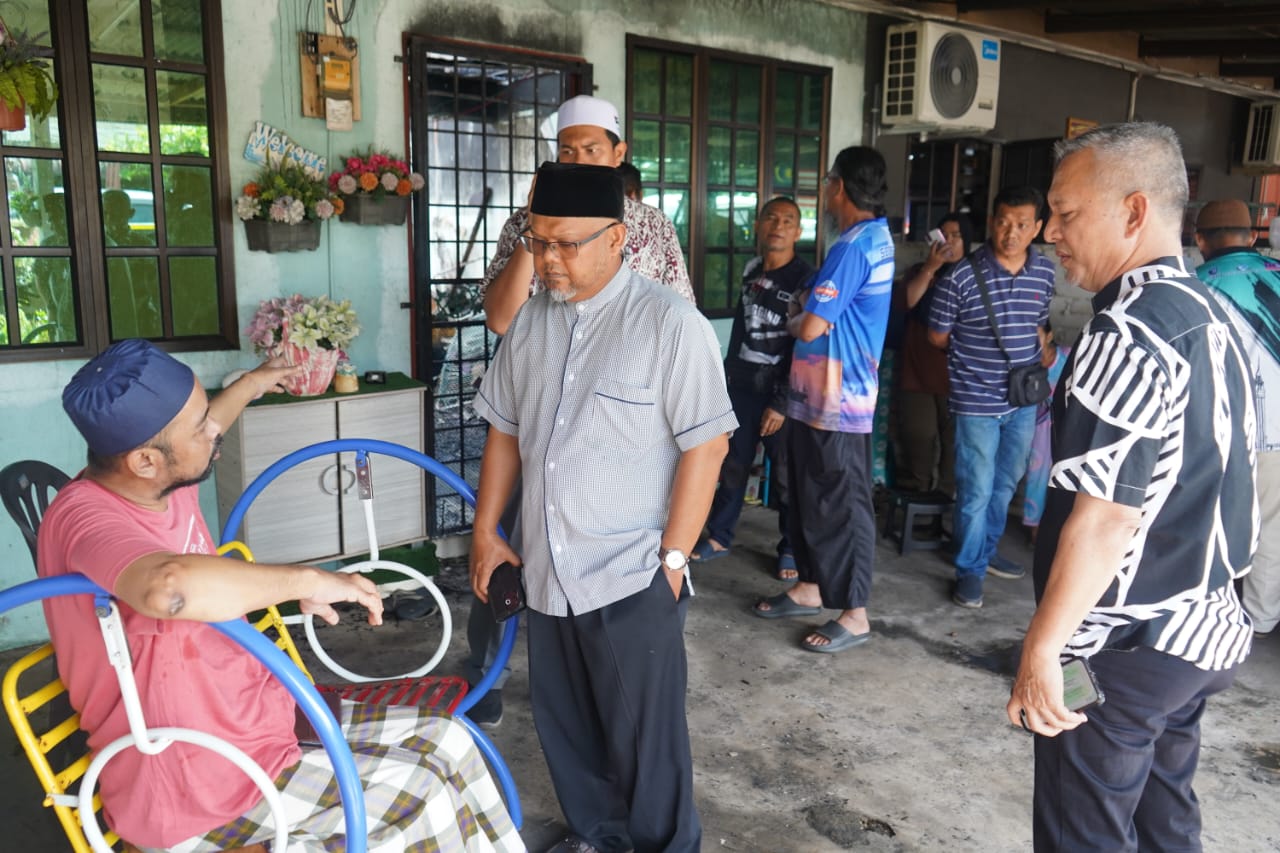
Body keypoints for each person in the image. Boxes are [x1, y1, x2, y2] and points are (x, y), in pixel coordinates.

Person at [38, 340, 523, 853]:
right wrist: (306, 580)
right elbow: (168, 588)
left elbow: (210, 422)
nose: (214, 431)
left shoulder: (160, 477)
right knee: (422, 792)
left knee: (452, 739)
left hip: (256, 722)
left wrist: (253, 383)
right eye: (200, 427)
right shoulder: (83, 519)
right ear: (144, 460)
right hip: (195, 783)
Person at [470, 162, 735, 853]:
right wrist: (486, 530)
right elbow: (504, 429)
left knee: (648, 746)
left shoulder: (670, 324)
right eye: (538, 241)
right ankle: (598, 837)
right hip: (545, 569)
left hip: (630, 575)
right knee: (566, 727)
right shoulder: (531, 322)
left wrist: (672, 563)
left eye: (566, 244)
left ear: (617, 238)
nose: (548, 259)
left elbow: (708, 446)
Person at [1007, 123, 1256, 852]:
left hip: (1126, 644)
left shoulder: (1125, 332)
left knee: (1083, 833)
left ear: (1135, 211)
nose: (1050, 232)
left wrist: (1043, 649)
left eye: (1065, 213)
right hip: (1203, 632)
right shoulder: (1216, 316)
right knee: (1163, 819)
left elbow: (1106, 518)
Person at [465, 95, 695, 727]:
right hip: (540, 414)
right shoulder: (527, 224)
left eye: (591, 150)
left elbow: (679, 323)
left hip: (623, 434)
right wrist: (536, 231)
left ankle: (632, 683)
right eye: (567, 151)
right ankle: (488, 671)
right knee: (507, 547)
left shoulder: (650, 228)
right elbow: (503, 317)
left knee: (627, 589)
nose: (579, 159)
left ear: (618, 154)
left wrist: (677, 556)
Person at [751, 146, 894, 654]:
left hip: (840, 401)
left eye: (829, 182)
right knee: (810, 497)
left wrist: (796, 319)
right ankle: (810, 586)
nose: (826, 192)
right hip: (817, 398)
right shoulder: (867, 239)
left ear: (840, 187)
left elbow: (811, 323)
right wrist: (805, 311)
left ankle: (855, 614)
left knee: (844, 505)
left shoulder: (855, 246)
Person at [927, 187, 1056, 607]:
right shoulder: (961, 277)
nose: (1011, 232)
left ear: (1037, 228)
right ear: (991, 223)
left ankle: (984, 551)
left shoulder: (1044, 272)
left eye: (1022, 224)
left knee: (1004, 486)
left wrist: (1044, 346)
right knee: (976, 490)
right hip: (976, 402)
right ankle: (970, 570)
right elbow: (937, 336)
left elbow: (1039, 323)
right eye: (1003, 222)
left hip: (1023, 401)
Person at [693, 196, 813, 579]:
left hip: (781, 389)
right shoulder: (751, 271)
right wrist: (725, 378)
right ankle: (720, 536)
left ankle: (791, 548)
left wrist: (782, 402)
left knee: (786, 474)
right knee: (732, 462)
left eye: (788, 221)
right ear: (759, 226)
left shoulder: (805, 279)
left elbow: (804, 345)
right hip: (743, 384)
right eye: (771, 219)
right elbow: (741, 328)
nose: (778, 226)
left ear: (798, 231)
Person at [1194, 198, 1280, 638]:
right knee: (1272, 530)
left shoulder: (1196, 288)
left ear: (1199, 240)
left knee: (1212, 522)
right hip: (1278, 434)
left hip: (1223, 432)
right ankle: (1259, 619)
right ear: (1251, 237)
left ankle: (1208, 615)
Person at [891, 212, 972, 495]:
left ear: (967, 241)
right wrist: (930, 268)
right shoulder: (920, 271)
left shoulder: (975, 276)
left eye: (956, 236)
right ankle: (920, 495)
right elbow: (906, 302)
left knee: (954, 442)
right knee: (918, 436)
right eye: (943, 235)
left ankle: (946, 498)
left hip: (959, 377)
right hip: (918, 372)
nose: (948, 241)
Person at [1020, 322, 1069, 544]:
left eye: (1036, 335)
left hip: (1065, 425)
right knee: (1037, 475)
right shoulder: (1024, 362)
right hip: (1036, 425)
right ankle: (1035, 526)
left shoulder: (1068, 357)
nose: (1030, 341)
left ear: (1049, 336)